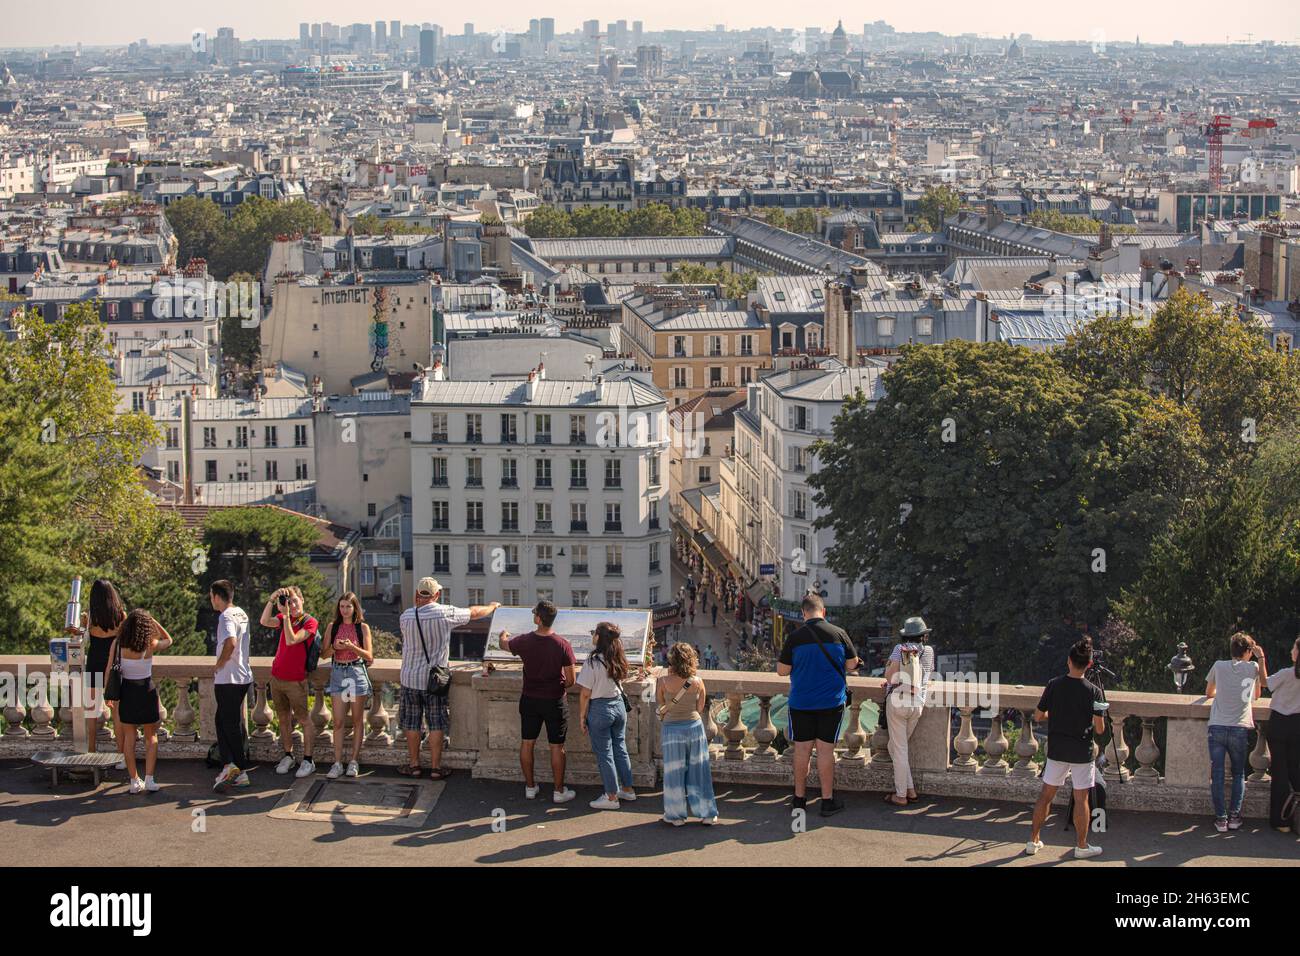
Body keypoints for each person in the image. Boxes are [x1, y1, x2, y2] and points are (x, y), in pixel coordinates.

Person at [398, 577, 497, 779]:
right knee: (436, 724)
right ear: (437, 595)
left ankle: (414, 765)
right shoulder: (445, 613)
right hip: (435, 680)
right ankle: (435, 768)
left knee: (411, 723)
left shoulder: (406, 616)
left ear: (417, 594)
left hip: (409, 678)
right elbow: (474, 613)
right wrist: (492, 607)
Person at [1025, 637, 1107, 859]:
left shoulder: (1054, 684)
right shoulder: (1094, 692)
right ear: (1089, 664)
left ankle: (1033, 841)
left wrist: (1056, 714)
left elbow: (1039, 715)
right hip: (1082, 750)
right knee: (1082, 799)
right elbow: (1099, 729)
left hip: (1058, 749)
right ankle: (1081, 845)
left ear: (1068, 661)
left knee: (1045, 796)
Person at [777, 594, 858, 817]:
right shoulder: (839, 634)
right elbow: (852, 665)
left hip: (801, 703)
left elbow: (782, 671)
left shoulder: (794, 637)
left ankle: (799, 799)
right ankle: (827, 800)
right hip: (831, 703)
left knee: (801, 750)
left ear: (804, 614)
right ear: (824, 612)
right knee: (825, 751)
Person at [498, 600, 577, 802]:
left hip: (530, 698)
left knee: (527, 743)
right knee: (557, 746)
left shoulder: (525, 641)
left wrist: (503, 636)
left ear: (538, 619)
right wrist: (558, 686)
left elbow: (503, 645)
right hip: (554, 700)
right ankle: (559, 791)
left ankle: (530, 787)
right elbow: (570, 680)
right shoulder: (563, 644)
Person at [107, 609, 173, 794]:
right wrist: (154, 621)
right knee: (151, 737)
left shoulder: (118, 644)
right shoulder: (150, 644)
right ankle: (150, 779)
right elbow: (169, 640)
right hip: (146, 690)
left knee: (130, 738)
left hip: (127, 692)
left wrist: (108, 695)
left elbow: (109, 669)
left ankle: (134, 780)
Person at [1204, 632, 1264, 831]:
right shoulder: (1253, 667)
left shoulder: (1219, 665)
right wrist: (1260, 658)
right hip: (1239, 728)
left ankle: (1221, 818)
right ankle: (1235, 816)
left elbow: (1208, 693)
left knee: (1218, 775)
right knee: (1238, 774)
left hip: (1217, 726)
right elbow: (1256, 695)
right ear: (1248, 652)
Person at [260, 585, 320, 778]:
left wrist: (286, 616)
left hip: (296, 681)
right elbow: (264, 621)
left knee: (304, 720)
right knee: (283, 719)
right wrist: (272, 600)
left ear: (302, 600)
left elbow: (292, 640)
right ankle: (288, 755)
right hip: (277, 677)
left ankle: (308, 760)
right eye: (288, 601)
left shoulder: (309, 622)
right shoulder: (284, 618)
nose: (292, 605)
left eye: (295, 600)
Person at [657, 642, 718, 825]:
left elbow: (661, 708)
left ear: (671, 660)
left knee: (673, 772)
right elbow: (700, 708)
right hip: (694, 728)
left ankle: (676, 815)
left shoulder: (662, 682)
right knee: (699, 771)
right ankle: (707, 813)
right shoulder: (697, 682)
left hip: (671, 729)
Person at [578, 621, 637, 809]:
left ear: (599, 637)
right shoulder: (618, 657)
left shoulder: (593, 661)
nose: (592, 635)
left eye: (594, 632)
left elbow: (585, 693)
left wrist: (582, 716)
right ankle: (627, 789)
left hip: (600, 708)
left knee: (605, 754)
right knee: (620, 748)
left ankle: (611, 797)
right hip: (619, 706)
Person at [882, 616, 936, 807]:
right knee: (896, 747)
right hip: (917, 703)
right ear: (923, 636)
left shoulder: (899, 649)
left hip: (898, 701)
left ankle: (901, 795)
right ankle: (910, 791)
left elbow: (889, 676)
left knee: (898, 748)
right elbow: (927, 677)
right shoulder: (928, 652)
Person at [74, 579, 127, 767]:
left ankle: (91, 749)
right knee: (117, 711)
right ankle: (121, 754)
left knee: (91, 709)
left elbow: (81, 639)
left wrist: (81, 623)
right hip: (113, 666)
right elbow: (126, 641)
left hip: (94, 663)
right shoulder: (121, 616)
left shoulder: (90, 618)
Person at [322, 592, 373, 779]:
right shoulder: (332, 627)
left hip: (355, 673)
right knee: (338, 721)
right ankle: (337, 763)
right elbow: (324, 654)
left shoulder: (362, 628)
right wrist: (336, 648)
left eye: (348, 607)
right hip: (338, 674)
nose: (345, 610)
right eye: (342, 606)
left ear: (355, 608)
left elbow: (369, 656)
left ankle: (353, 761)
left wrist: (352, 647)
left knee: (357, 719)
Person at [211, 580, 252, 790]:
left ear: (217, 597)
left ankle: (240, 770)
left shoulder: (225, 616)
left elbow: (231, 642)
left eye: (212, 596)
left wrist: (219, 664)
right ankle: (229, 764)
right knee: (224, 721)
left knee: (230, 725)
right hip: (242, 676)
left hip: (229, 678)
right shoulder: (241, 612)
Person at [1265, 636, 1300, 832]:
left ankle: (1281, 821)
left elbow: (1265, 683)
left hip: (1279, 723)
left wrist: (1261, 660)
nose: (1291, 652)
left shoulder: (1287, 674)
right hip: (1298, 725)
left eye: (1294, 649)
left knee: (1279, 772)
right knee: (1295, 770)